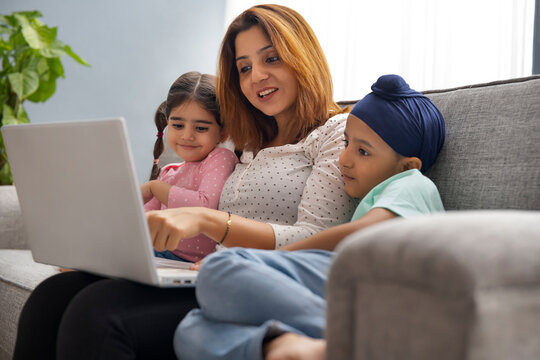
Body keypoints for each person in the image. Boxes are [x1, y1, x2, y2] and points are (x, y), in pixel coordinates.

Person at [13, 5, 356, 359]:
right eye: (245, 68)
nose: (257, 76)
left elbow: (318, 236)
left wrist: (207, 220)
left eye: (272, 59)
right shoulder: (248, 143)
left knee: (96, 313)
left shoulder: (339, 132)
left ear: (302, 56)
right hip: (206, 275)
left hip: (261, 285)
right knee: (50, 297)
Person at [174, 74, 446, 360]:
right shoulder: (373, 194)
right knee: (190, 328)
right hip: (346, 290)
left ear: (407, 165)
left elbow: (363, 234)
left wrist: (276, 258)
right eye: (346, 143)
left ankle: (358, 342)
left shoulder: (412, 183)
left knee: (221, 269)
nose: (344, 158)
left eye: (363, 151)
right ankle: (286, 348)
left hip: (375, 288)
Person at [141, 72, 238, 262]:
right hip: (157, 256)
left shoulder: (220, 158)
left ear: (224, 133)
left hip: (185, 261)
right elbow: (145, 220)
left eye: (201, 128)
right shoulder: (169, 172)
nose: (187, 136)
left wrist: (155, 187)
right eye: (178, 125)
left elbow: (205, 205)